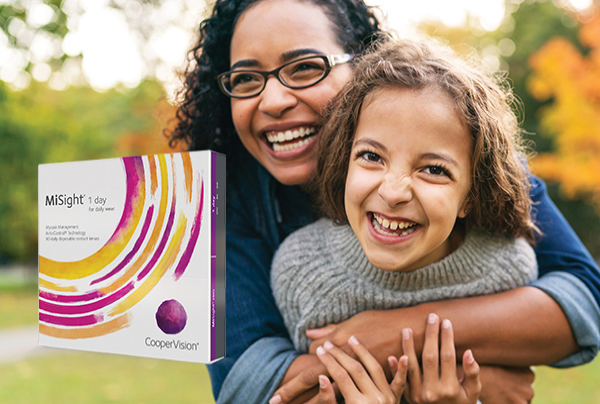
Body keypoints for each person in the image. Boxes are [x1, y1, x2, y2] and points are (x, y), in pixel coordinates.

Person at [165, 0, 600, 402]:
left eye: (304, 68)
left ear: (363, 65)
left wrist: (394, 333)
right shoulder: (218, 205)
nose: (274, 100)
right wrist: (470, 376)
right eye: (246, 79)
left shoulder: (466, 154)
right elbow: (248, 382)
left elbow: (581, 300)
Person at [271, 38, 537, 403]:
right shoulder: (302, 267)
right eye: (371, 156)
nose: (394, 192)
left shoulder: (506, 270)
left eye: (433, 169)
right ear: (343, 160)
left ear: (471, 196)